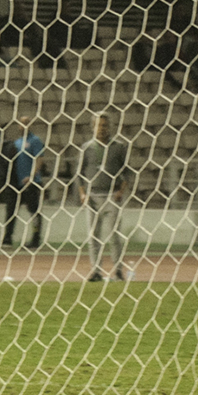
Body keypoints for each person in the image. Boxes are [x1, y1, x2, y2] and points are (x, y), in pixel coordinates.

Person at [76, 112, 131, 282]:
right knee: (93, 236)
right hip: (92, 196)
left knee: (114, 235)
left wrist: (121, 191)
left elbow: (127, 172)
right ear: (93, 127)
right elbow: (79, 174)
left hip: (111, 196)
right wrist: (83, 194)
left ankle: (118, 270)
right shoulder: (86, 148)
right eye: (99, 125)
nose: (102, 129)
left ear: (110, 127)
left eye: (105, 125)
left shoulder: (119, 147)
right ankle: (96, 271)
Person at [0, 117, 48, 249]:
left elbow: (40, 158)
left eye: (26, 123)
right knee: (11, 211)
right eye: (21, 123)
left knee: (34, 212)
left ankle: (36, 239)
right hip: (17, 184)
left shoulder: (35, 140)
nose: (24, 125)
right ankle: (7, 238)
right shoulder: (17, 142)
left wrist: (32, 176)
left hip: (32, 183)